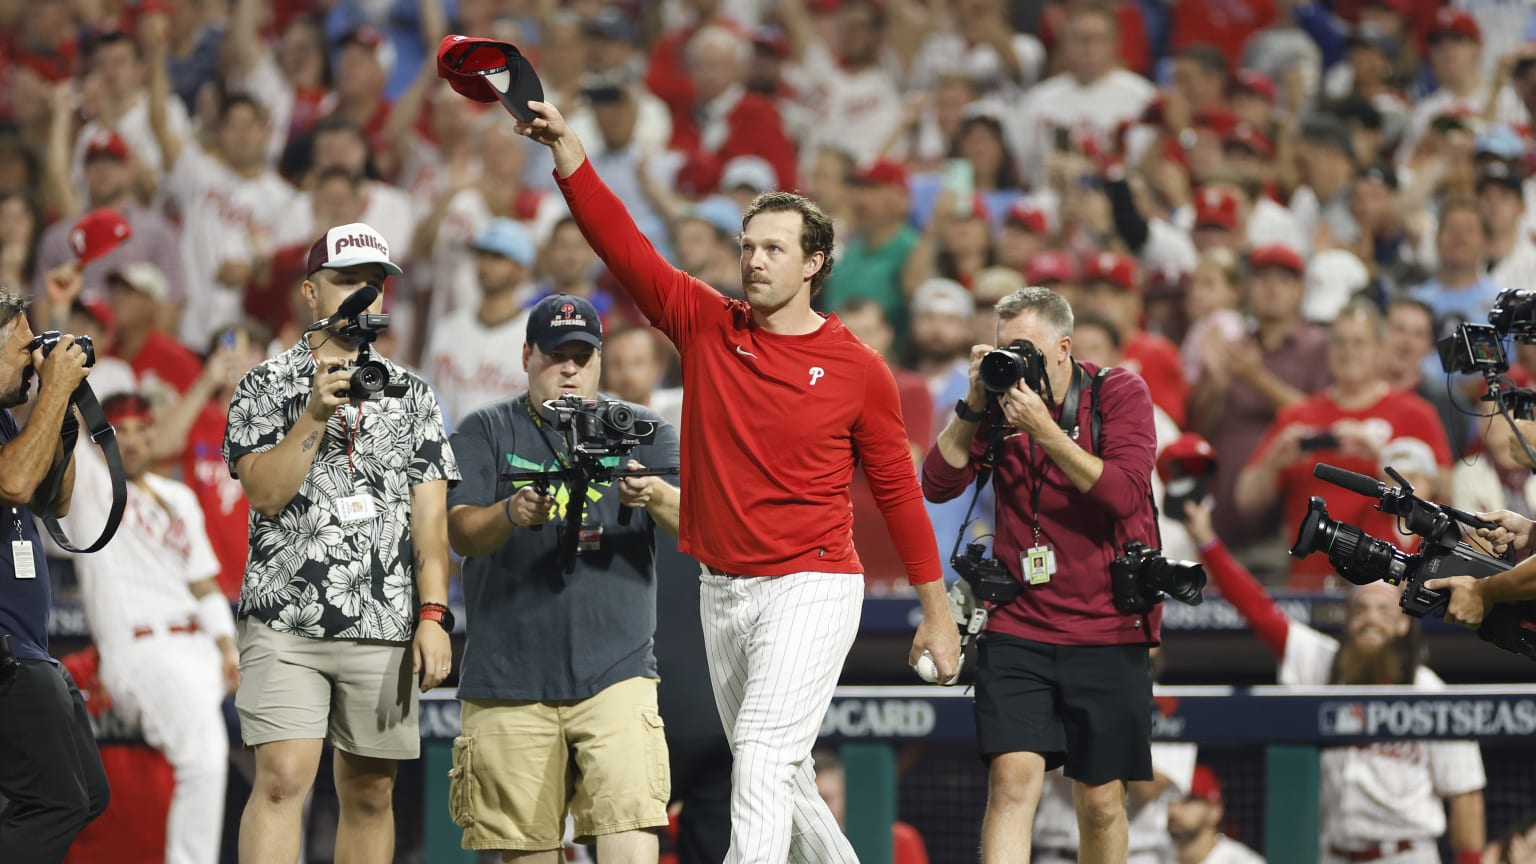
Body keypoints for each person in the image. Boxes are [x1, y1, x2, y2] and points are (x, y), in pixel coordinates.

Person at [516, 99, 958, 864]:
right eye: (748, 247)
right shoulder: (707, 324)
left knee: (755, 756)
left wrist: (937, 609)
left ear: (816, 263)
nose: (754, 261)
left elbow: (896, 491)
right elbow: (623, 249)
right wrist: (570, 154)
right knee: (780, 779)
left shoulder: (859, 370)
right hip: (722, 588)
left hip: (812, 585)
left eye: (775, 250)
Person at [223, 221, 460, 864]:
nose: (364, 295)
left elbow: (430, 526)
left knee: (370, 797)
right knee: (280, 780)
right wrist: (313, 414)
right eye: (347, 281)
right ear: (310, 292)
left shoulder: (412, 394)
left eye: (375, 284)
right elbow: (266, 495)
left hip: (381, 623)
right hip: (286, 618)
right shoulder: (265, 385)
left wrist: (434, 616)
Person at [922, 286, 1161, 864]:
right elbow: (937, 483)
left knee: (1101, 800)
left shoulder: (1117, 392)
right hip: (1019, 626)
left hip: (1107, 627)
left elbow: (1123, 495)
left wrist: (1046, 432)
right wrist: (976, 400)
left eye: (1025, 349)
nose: (1015, 362)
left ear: (1064, 347)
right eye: (1004, 349)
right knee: (1011, 783)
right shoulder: (997, 404)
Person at [444, 293, 680, 860]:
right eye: (556, 355)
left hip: (617, 672)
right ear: (527, 355)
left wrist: (655, 493)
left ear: (599, 360)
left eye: (583, 354)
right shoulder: (487, 430)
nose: (570, 368)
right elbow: (458, 531)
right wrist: (510, 512)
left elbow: (702, 525)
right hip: (510, 679)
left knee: (631, 841)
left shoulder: (640, 428)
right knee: (527, 852)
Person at [1183, 500, 1487, 862]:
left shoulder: (1428, 688)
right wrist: (1205, 539)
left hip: (1405, 854)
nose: (1370, 619)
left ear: (1404, 623)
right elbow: (1259, 611)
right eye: (1360, 610)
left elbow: (1465, 798)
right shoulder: (1324, 663)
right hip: (1334, 854)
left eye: (1383, 610)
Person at [60, 392, 236, 864]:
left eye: (141, 430)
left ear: (155, 434)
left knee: (284, 749)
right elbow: (66, 426)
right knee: (203, 757)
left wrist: (228, 647)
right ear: (101, 439)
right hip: (140, 650)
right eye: (119, 432)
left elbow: (204, 585)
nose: (132, 442)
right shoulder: (92, 490)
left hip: (201, 650)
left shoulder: (179, 497)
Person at [0, 281, 109, 863]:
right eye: (23, 352)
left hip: (27, 646)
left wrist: (60, 403)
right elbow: (14, 480)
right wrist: (50, 393)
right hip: (6, 652)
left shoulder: (4, 420)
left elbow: (52, 500)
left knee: (86, 794)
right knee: (56, 803)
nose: (33, 362)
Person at [1166, 765, 1266, 864]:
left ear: (1215, 811)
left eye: (1189, 800)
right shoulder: (1155, 856)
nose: (1174, 810)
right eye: (1171, 799)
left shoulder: (1241, 861)